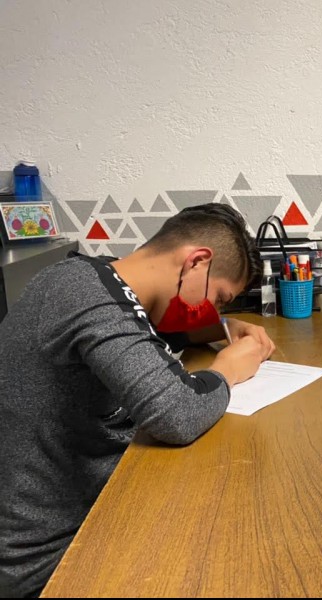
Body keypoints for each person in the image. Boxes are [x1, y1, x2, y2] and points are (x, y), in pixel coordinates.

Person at [0, 203, 276, 598]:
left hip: (89, 511)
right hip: (47, 557)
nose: (214, 311)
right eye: (219, 299)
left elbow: (148, 328)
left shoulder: (97, 278)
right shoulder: (84, 294)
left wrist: (224, 326)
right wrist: (229, 368)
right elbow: (176, 415)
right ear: (196, 262)